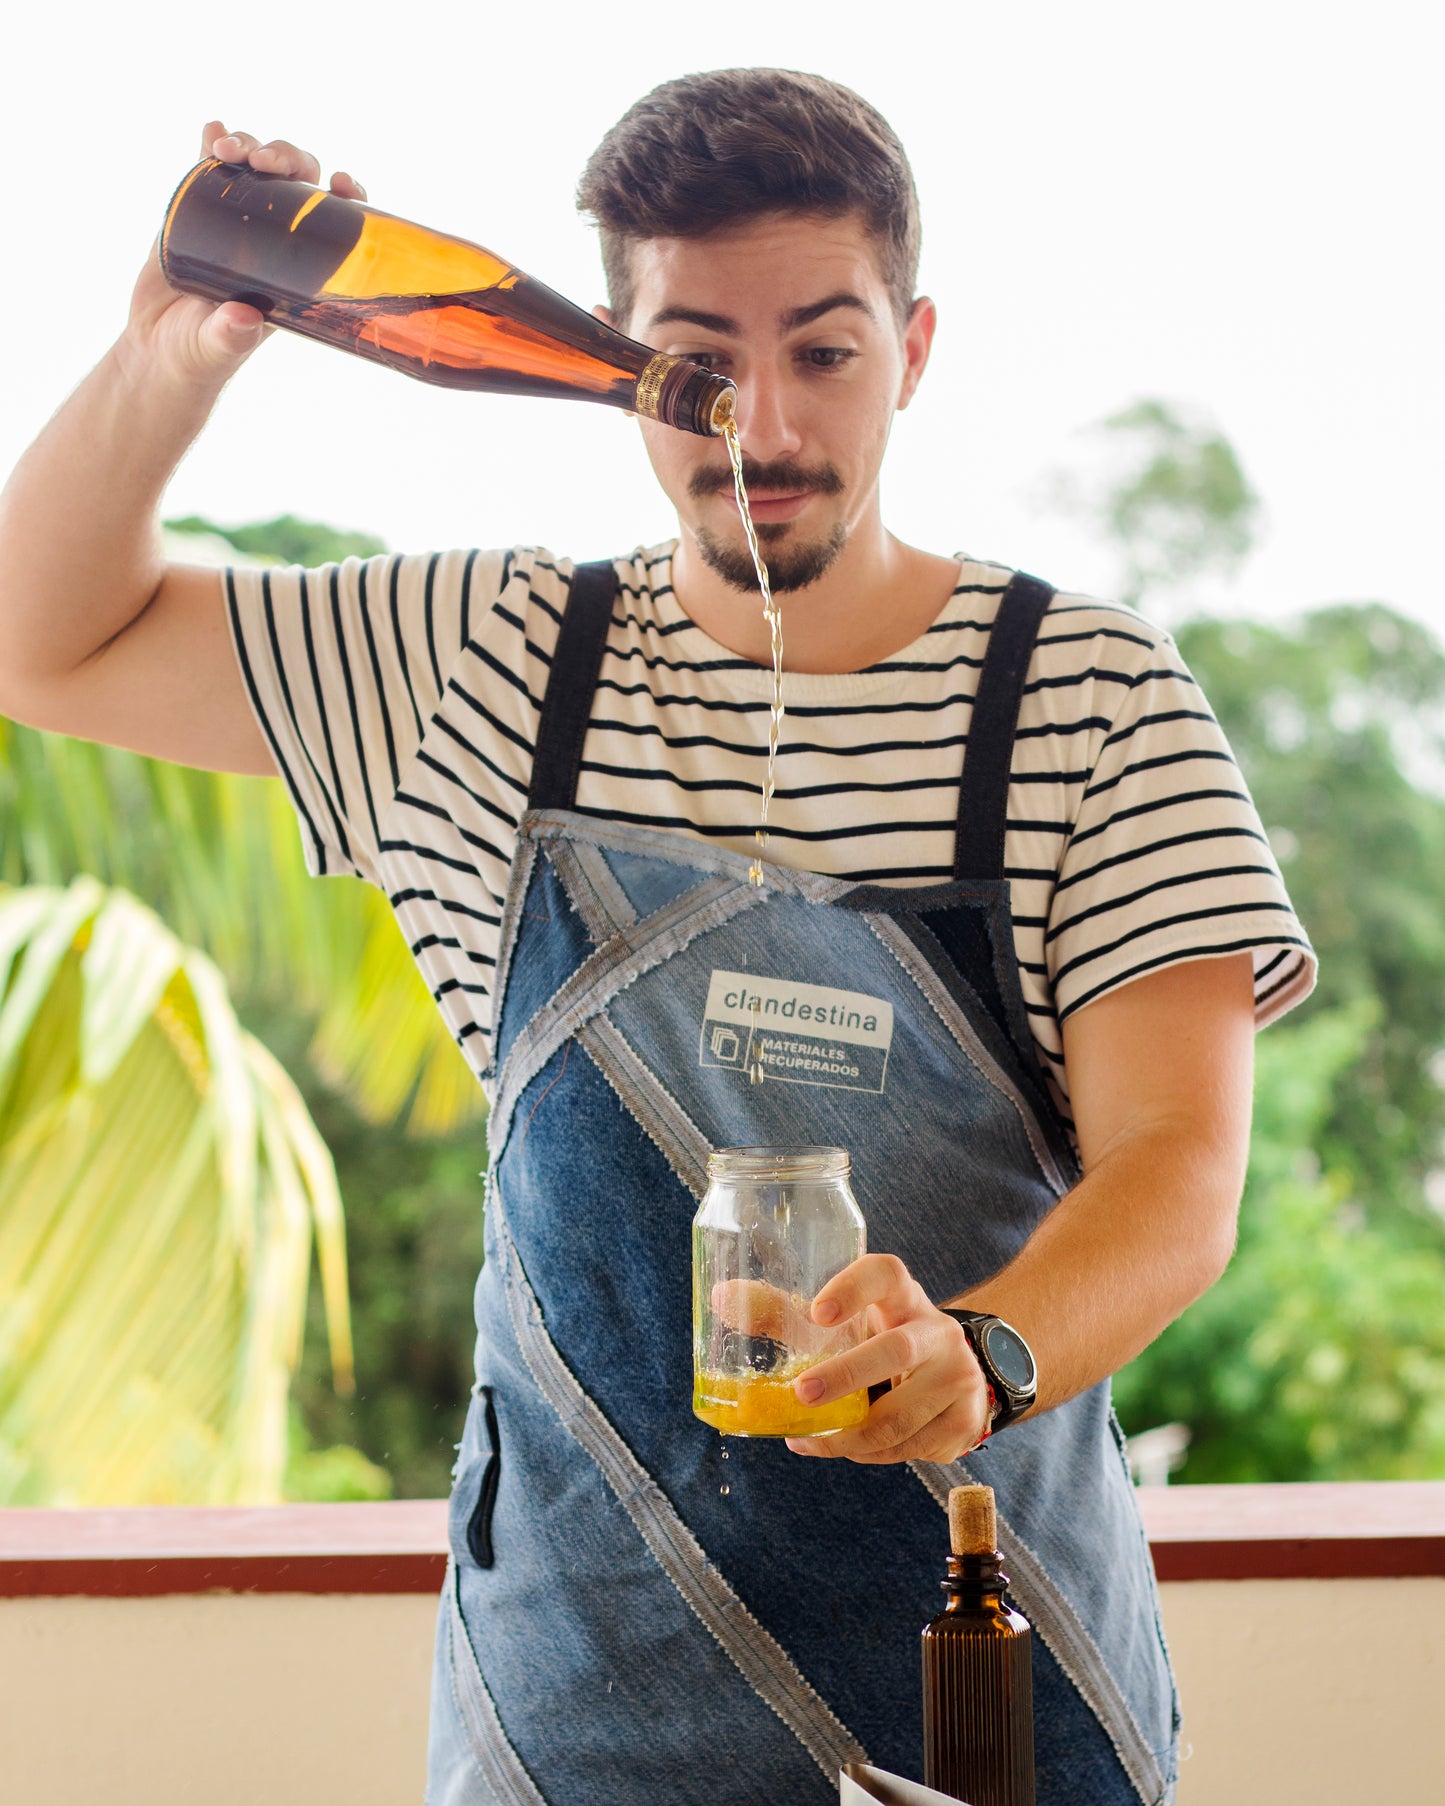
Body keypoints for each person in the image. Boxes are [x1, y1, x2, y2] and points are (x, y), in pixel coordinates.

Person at [0, 68, 1313, 1806]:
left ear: (914, 347)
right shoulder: (487, 658)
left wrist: (979, 1349)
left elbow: (1178, 1165)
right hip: (577, 1690)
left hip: (987, 1659)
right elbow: (45, 643)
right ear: (612, 353)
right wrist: (179, 351)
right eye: (693, 360)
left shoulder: (1087, 696)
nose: (758, 425)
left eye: (824, 352)